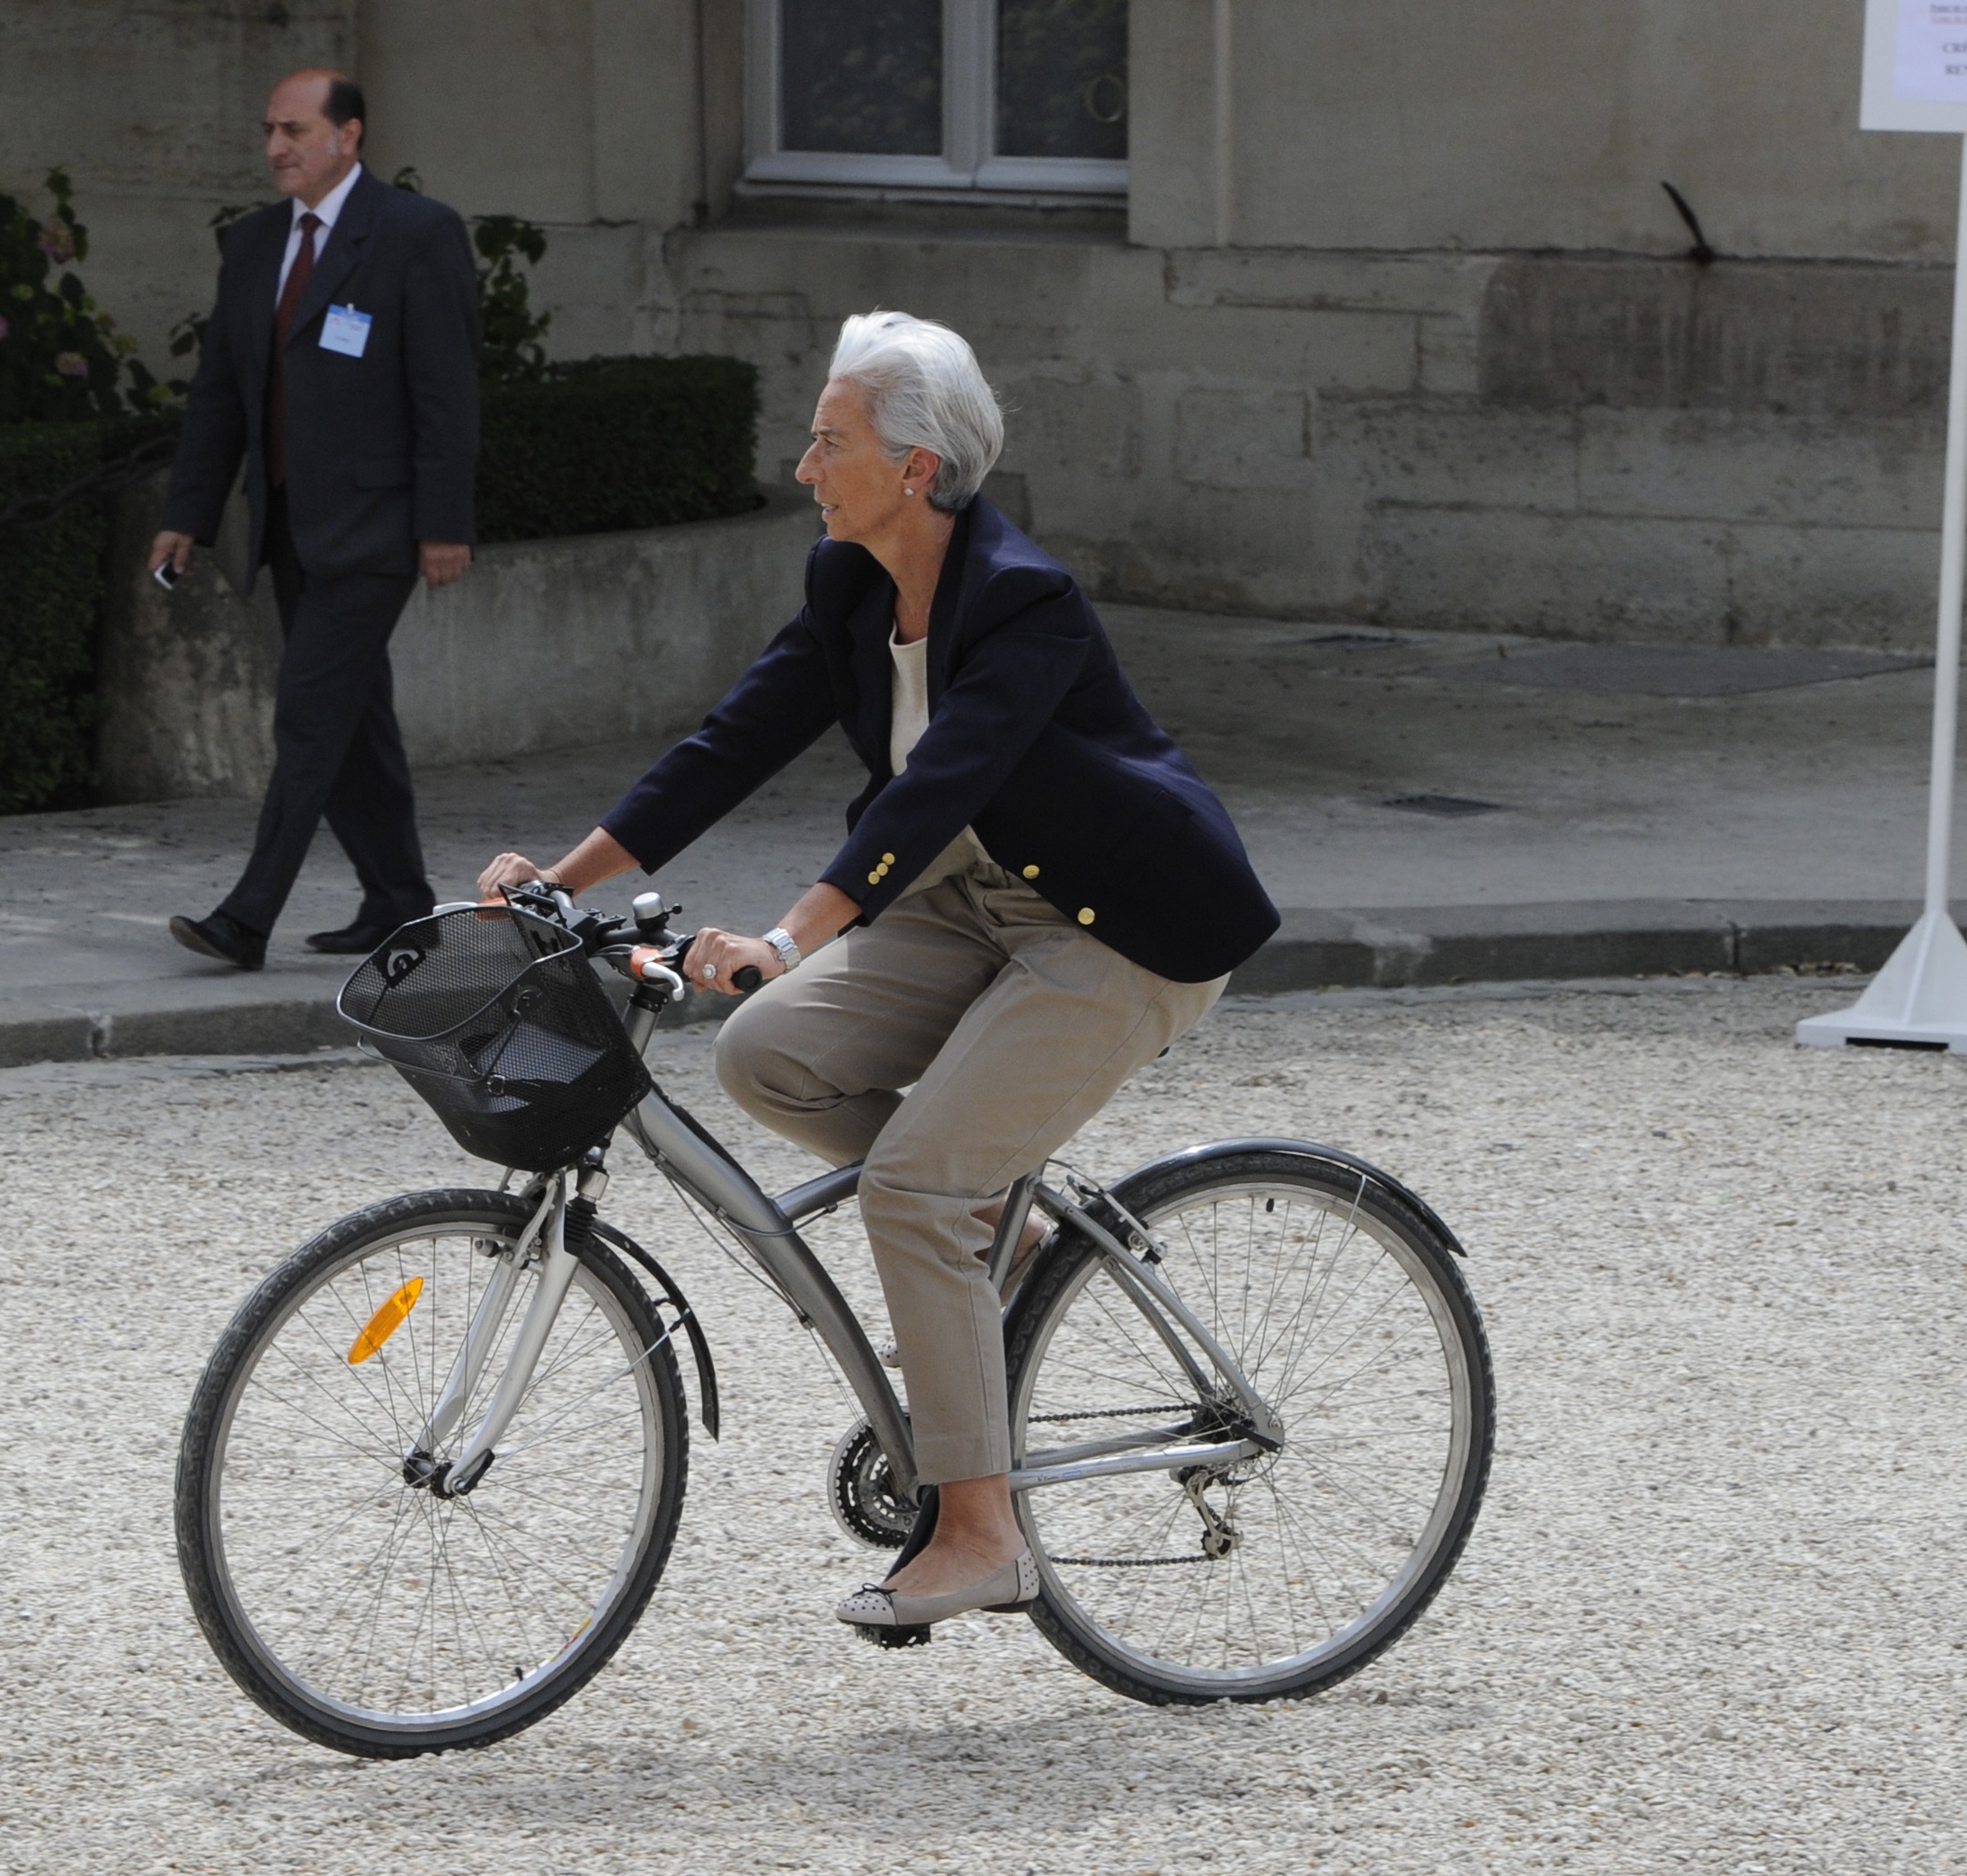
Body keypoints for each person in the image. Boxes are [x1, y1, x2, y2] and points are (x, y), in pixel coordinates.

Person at [476, 313, 1280, 1631]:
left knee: (912, 1183)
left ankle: (982, 1532)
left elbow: (943, 781)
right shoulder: (850, 582)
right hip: (969, 902)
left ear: (914, 468)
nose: (805, 465)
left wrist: (789, 937)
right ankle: (1003, 1240)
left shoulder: (1025, 598)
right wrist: (567, 879)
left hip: (1116, 927)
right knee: (764, 1052)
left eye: (828, 440)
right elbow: (730, 742)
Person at [156, 67, 480, 971]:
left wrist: (444, 523)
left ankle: (246, 915)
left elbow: (447, 393)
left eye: (295, 130)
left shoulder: (415, 234)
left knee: (307, 710)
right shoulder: (253, 242)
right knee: (351, 717)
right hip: (291, 522)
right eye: (269, 130)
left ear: (350, 136)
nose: (275, 147)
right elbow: (222, 391)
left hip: (378, 524)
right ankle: (400, 903)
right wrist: (187, 512)